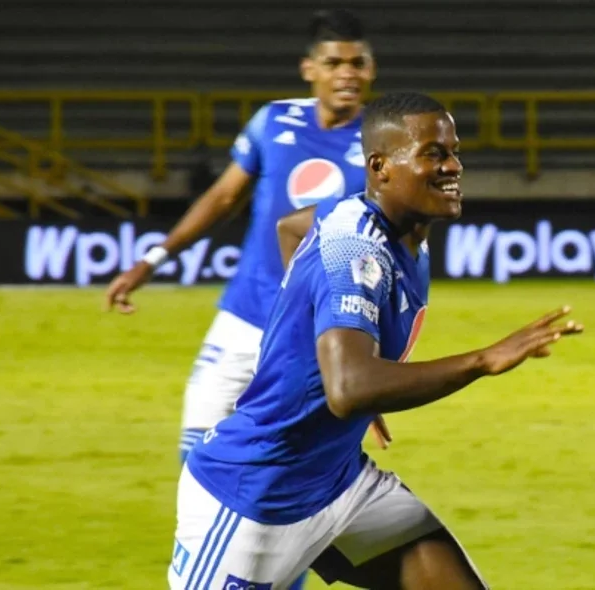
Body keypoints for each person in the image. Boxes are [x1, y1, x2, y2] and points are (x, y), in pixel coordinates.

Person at [169, 92, 583, 589]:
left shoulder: (392, 229)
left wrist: (346, 357)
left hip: (340, 484)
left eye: (454, 151)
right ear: (381, 167)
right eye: (433, 153)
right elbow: (349, 391)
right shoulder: (356, 247)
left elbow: (292, 229)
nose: (453, 166)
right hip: (256, 498)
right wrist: (480, 360)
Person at [103, 9, 384, 464]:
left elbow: (382, 252)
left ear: (371, 69)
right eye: (334, 64)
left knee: (298, 474)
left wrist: (365, 361)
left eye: (358, 63)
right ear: (309, 69)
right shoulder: (272, 122)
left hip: (313, 335)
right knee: (196, 453)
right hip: (244, 317)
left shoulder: (381, 142)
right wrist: (151, 260)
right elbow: (220, 199)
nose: (348, 74)